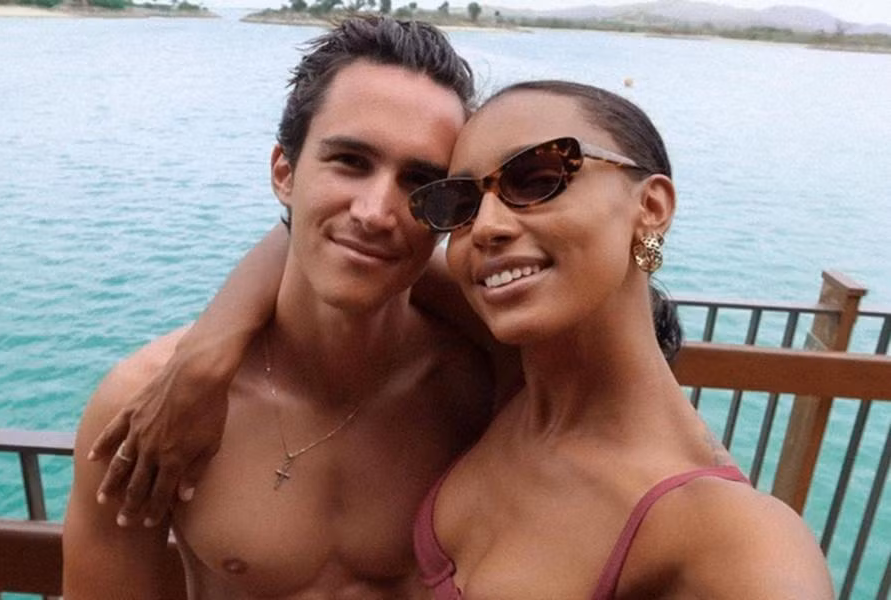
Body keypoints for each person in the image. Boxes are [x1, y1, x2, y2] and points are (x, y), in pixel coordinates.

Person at [64, 17, 503, 599]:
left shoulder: (482, 380)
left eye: (420, 181)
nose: (375, 211)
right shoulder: (150, 404)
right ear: (284, 173)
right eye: (350, 161)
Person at [409, 80, 834, 598]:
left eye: (538, 179)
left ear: (650, 206)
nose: (486, 226)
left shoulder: (730, 537)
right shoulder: (516, 379)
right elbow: (371, 257)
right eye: (460, 204)